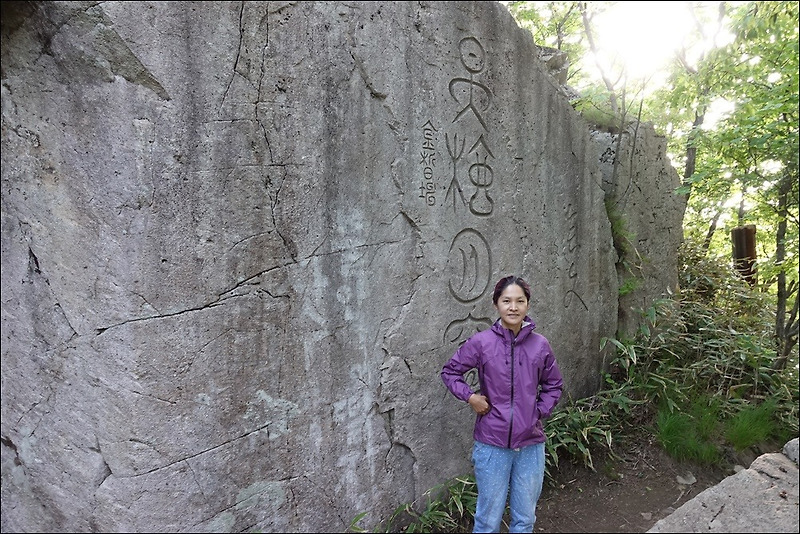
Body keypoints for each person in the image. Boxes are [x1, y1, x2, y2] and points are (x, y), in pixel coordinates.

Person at [441, 275, 564, 533]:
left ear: (527, 306)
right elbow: (450, 372)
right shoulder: (482, 343)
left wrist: (538, 412)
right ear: (496, 304)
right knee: (488, 520)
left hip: (531, 445)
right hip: (491, 444)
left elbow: (554, 385)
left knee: (525, 518)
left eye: (520, 301)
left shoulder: (540, 345)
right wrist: (471, 397)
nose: (513, 307)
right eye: (506, 300)